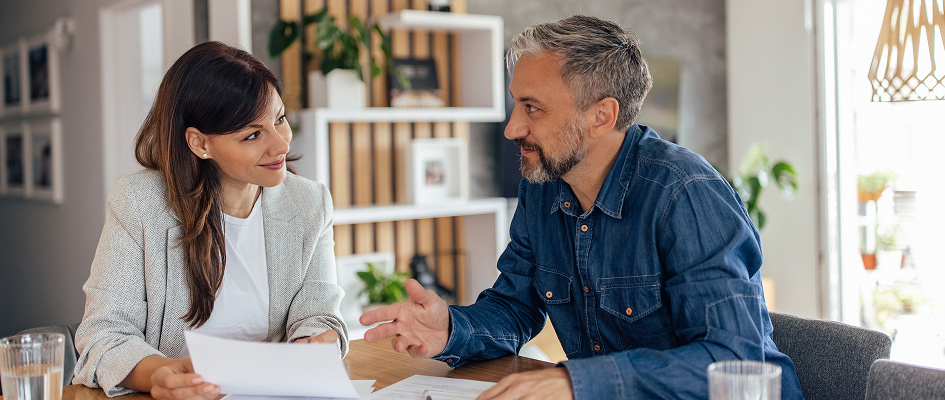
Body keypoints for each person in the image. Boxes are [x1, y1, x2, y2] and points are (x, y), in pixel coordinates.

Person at [360, 16, 805, 400]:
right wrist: (450, 330)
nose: (513, 127)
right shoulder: (543, 186)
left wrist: (576, 382)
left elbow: (735, 362)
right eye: (516, 103)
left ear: (601, 116)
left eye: (533, 108)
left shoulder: (685, 194)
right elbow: (515, 307)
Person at [73, 41, 347, 399]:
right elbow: (102, 336)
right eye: (252, 134)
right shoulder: (139, 203)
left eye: (279, 119)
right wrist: (160, 375)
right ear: (200, 143)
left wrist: (314, 342)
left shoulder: (310, 203)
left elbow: (320, 315)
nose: (281, 145)